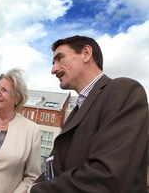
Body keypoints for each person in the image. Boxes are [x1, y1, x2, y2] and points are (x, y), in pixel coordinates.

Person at [25, 35, 148, 193]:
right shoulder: (77, 110)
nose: (53, 69)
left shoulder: (123, 90)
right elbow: (54, 166)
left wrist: (33, 191)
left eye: (60, 58)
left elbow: (107, 177)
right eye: (53, 62)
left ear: (86, 53)